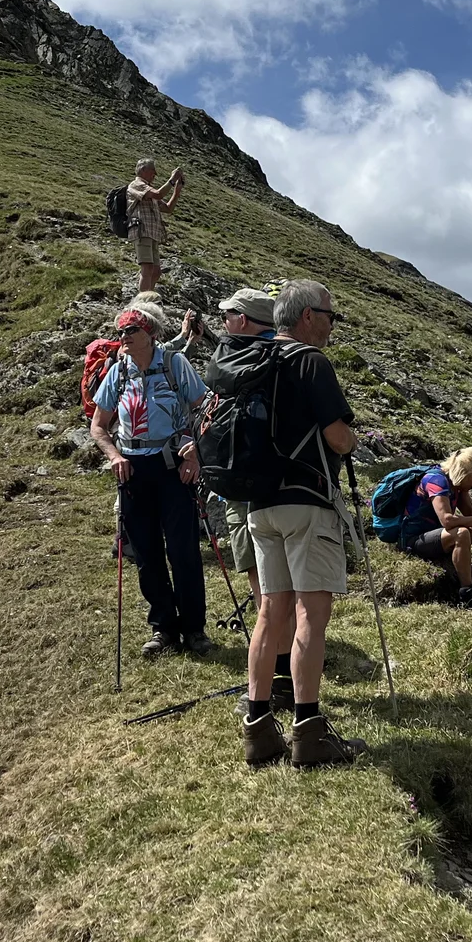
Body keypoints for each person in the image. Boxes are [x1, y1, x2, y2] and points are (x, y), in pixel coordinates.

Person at [241, 279, 367, 768]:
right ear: (308, 316)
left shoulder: (252, 359)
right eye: (330, 316)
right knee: (312, 614)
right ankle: (308, 734)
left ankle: (257, 728)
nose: (333, 325)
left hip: (258, 503)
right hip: (305, 501)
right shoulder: (310, 362)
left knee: (271, 612)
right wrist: (352, 441)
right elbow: (338, 439)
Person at [90, 304, 212, 656]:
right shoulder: (117, 373)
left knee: (183, 550)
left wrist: (196, 454)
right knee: (146, 552)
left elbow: (206, 410)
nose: (123, 338)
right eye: (121, 332)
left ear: (151, 334)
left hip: (174, 467)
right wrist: (114, 456)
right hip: (133, 470)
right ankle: (163, 627)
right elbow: (98, 426)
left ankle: (194, 629)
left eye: (131, 331)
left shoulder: (175, 365)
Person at [204, 288, 291, 708]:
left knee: (269, 589)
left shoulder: (251, 359)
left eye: (229, 314)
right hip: (253, 483)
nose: (223, 320)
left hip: (258, 486)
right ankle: (280, 672)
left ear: (247, 319)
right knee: (267, 586)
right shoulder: (262, 356)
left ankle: (274, 680)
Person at [401, 447, 472, 606]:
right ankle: (467, 593)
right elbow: (447, 520)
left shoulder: (458, 486)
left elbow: (471, 514)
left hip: (438, 537)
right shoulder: (435, 481)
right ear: (464, 473)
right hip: (415, 541)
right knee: (461, 533)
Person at [127, 158, 185, 294]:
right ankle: (141, 302)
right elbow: (158, 194)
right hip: (142, 231)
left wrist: (177, 191)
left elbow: (168, 208)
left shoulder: (148, 189)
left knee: (156, 271)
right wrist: (171, 180)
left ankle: (147, 297)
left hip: (152, 234)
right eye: (153, 171)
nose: (155, 174)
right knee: (147, 268)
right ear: (143, 170)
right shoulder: (136, 185)